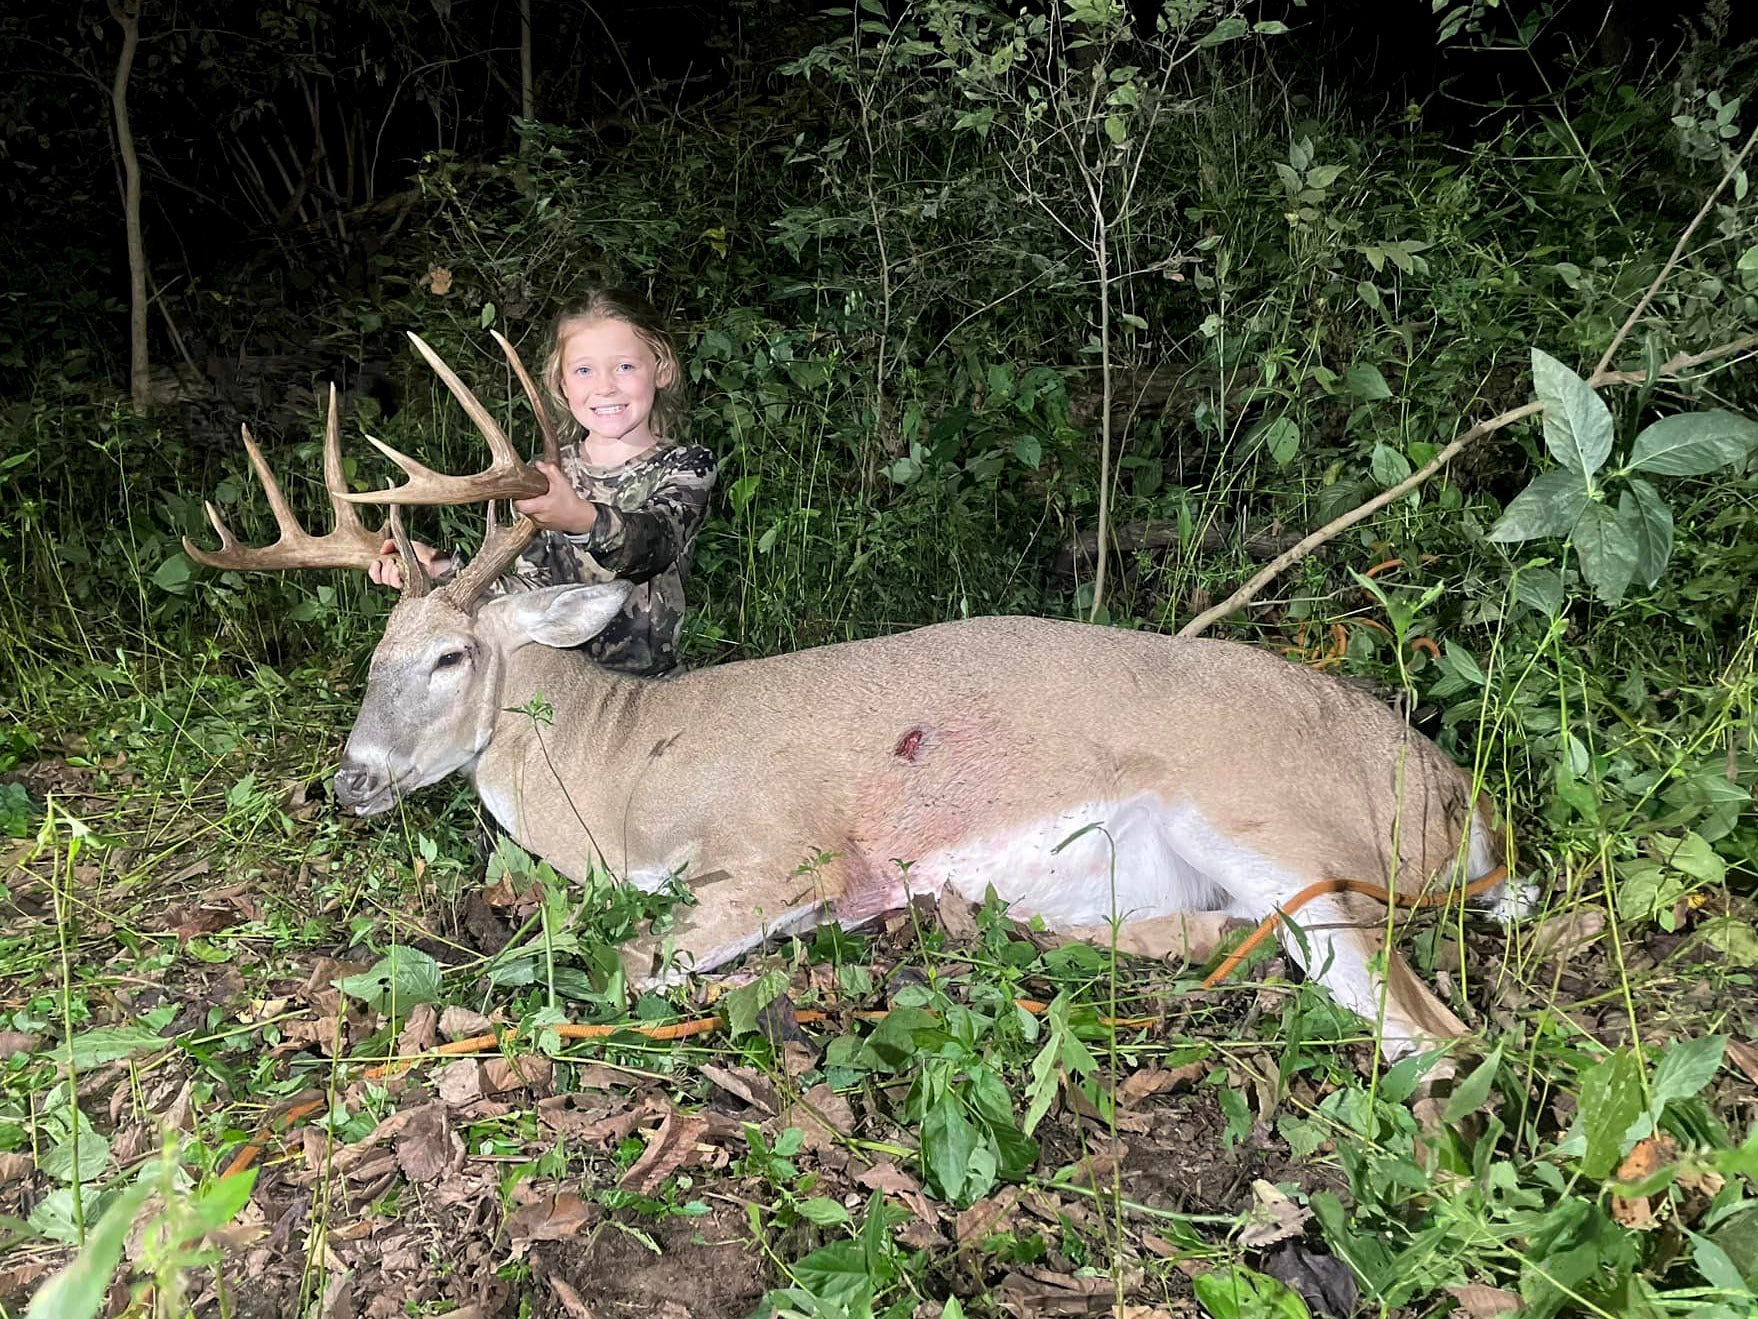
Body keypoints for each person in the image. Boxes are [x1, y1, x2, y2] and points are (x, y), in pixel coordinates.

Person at [370, 289, 717, 678]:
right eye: (584, 370)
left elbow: (653, 544)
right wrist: (439, 567)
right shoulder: (543, 477)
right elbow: (525, 595)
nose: (605, 387)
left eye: (624, 367)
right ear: (562, 384)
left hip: (649, 689)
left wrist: (580, 519)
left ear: (662, 368)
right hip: (553, 689)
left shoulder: (686, 464)